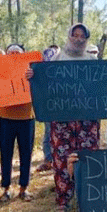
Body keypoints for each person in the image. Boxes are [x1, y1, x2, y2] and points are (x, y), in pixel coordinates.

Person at [25, 23, 107, 212]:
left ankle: (88, 197)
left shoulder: (93, 61)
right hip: (61, 119)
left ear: (87, 39)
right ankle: (63, 199)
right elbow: (44, 82)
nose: (78, 39)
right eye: (74, 35)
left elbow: (101, 85)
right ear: (69, 36)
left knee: (88, 156)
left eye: (82, 36)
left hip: (87, 120)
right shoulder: (56, 59)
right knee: (61, 158)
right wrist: (33, 76)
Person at [0, 44, 36, 202]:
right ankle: (6, 189)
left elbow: (42, 86)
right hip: (5, 117)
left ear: (23, 55)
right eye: (11, 53)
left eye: (17, 53)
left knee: (26, 154)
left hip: (27, 117)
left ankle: (23, 188)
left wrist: (34, 76)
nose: (14, 55)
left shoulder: (31, 70)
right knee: (5, 154)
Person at [35, 44, 59, 173]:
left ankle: (57, 159)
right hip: (48, 105)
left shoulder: (63, 68)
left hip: (62, 106)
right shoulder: (40, 71)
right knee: (48, 132)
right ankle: (49, 160)